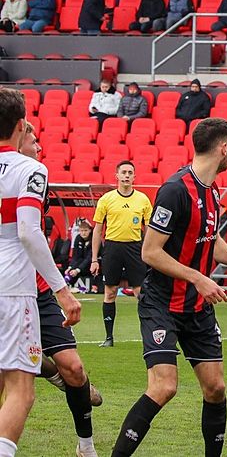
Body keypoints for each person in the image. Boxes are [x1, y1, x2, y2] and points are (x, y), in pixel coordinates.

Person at [111, 118, 227, 457]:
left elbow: (210, 238)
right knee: (164, 386)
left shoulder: (212, 189)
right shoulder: (175, 190)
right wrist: (197, 277)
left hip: (196, 307)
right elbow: (150, 252)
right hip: (162, 303)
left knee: (216, 387)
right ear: (223, 148)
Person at [0, 88, 82, 457]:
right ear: (21, 125)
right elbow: (28, 231)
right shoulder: (30, 169)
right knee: (21, 388)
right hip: (12, 288)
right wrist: (62, 290)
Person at [18, 122, 102, 457]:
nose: (39, 146)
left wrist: (58, 288)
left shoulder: (37, 178)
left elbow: (32, 235)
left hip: (38, 291)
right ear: (16, 138)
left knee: (75, 369)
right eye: (33, 140)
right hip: (9, 291)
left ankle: (86, 446)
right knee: (15, 378)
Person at [90, 161, 152, 347]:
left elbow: (149, 230)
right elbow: (97, 230)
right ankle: (109, 337)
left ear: (134, 177)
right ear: (116, 176)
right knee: (110, 292)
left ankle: (150, 335)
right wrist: (94, 259)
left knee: (140, 292)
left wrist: (149, 252)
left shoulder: (143, 199)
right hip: (112, 248)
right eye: (123, 172)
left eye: (130, 173)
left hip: (135, 248)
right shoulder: (106, 199)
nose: (126, 175)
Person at [65, 218, 94, 291]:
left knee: (82, 264)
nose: (83, 233)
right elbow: (75, 256)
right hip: (82, 263)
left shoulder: (94, 239)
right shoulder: (78, 238)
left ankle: (69, 282)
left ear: (90, 230)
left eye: (85, 230)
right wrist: (70, 267)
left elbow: (89, 258)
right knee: (73, 266)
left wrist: (77, 270)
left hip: (93, 263)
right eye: (81, 231)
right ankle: (68, 284)